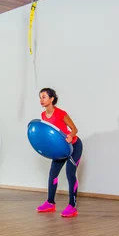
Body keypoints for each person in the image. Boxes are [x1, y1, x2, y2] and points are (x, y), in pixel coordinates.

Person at [35, 88, 83, 217]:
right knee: (53, 174)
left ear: (51, 99)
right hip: (60, 149)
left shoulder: (61, 113)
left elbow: (74, 129)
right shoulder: (43, 115)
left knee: (70, 173)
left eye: (44, 97)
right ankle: (50, 203)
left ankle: (72, 206)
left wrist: (70, 135)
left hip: (73, 146)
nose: (41, 100)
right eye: (40, 97)